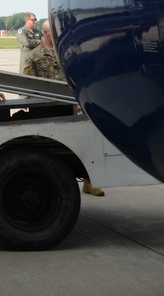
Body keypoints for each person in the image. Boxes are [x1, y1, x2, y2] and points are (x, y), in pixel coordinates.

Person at [24, 20, 105, 196]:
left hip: (71, 107)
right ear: (45, 33)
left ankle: (89, 181)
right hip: (46, 109)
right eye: (53, 32)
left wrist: (79, 103)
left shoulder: (69, 54)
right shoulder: (34, 56)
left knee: (83, 143)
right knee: (48, 147)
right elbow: (28, 87)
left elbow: (81, 80)